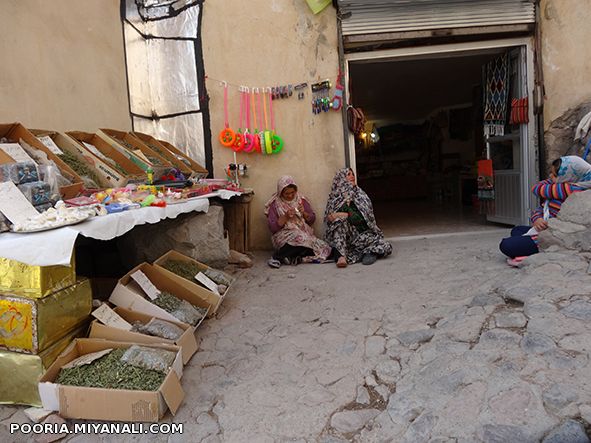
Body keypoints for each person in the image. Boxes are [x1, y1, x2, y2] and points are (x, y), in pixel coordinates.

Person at [499, 156, 591, 262]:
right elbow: (542, 208)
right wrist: (537, 219)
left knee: (506, 245)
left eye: (555, 175)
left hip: (553, 237)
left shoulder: (571, 190)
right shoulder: (564, 185)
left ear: (569, 176)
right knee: (517, 230)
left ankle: (540, 249)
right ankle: (525, 245)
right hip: (544, 228)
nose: (550, 177)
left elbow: (537, 188)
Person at [324, 168, 392, 268]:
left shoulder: (360, 195)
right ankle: (341, 256)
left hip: (363, 235)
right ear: (341, 179)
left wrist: (345, 214)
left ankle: (367, 252)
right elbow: (329, 218)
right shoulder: (334, 198)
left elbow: (362, 220)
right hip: (345, 239)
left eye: (353, 174)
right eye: (348, 174)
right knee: (338, 222)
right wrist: (341, 216)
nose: (352, 176)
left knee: (386, 246)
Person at [265, 176, 335, 268]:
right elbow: (273, 228)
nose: (290, 196)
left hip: (304, 233)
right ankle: (277, 257)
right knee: (299, 238)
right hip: (283, 235)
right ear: (281, 192)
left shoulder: (301, 200)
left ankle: (292, 257)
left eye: (292, 193)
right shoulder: (275, 204)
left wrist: (304, 213)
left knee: (321, 247)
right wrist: (285, 216)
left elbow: (312, 220)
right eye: (286, 193)